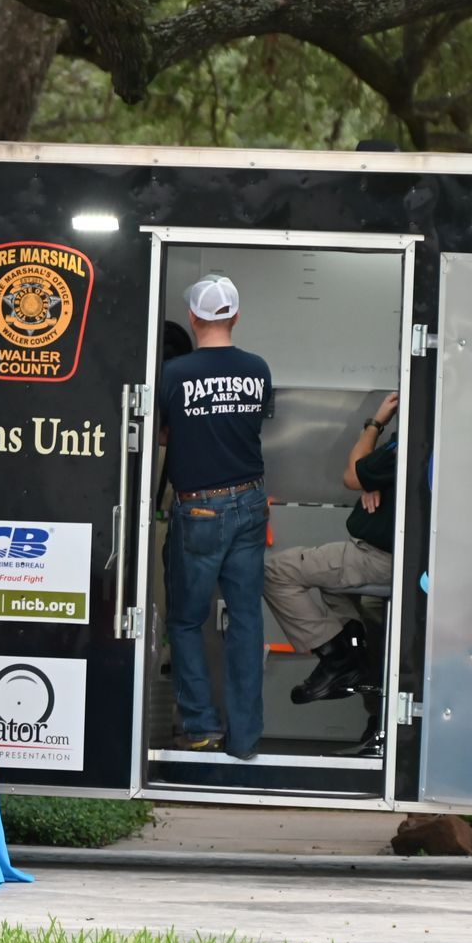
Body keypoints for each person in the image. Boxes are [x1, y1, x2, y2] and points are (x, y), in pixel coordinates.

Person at [159, 274, 272, 759]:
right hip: (250, 502)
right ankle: (245, 739)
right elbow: (251, 425)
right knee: (246, 621)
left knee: (186, 621)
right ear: (236, 315)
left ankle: (202, 727)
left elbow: (164, 436)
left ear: (193, 318)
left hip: (200, 507)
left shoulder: (173, 374)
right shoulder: (258, 369)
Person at [264, 392, 399, 709]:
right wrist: (372, 481)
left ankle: (339, 661)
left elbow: (352, 474)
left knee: (276, 571)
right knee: (334, 588)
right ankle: (354, 654)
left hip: (379, 558)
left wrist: (375, 423)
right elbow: (363, 475)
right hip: (387, 558)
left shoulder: (408, 446)